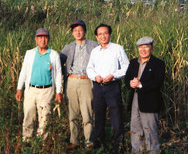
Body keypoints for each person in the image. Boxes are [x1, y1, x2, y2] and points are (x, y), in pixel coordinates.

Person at [86, 23, 129, 154]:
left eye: (105, 33)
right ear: (97, 37)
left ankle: (118, 147)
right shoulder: (95, 51)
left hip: (112, 87)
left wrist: (113, 75)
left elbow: (126, 67)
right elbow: (89, 68)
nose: (103, 36)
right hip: (98, 87)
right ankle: (100, 146)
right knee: (98, 117)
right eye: (100, 34)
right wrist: (95, 76)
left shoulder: (117, 48)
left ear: (110, 34)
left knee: (116, 118)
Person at [15, 28, 62, 142]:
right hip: (31, 90)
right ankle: (27, 139)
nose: (43, 40)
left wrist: (58, 92)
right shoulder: (29, 53)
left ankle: (41, 142)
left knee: (44, 117)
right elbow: (23, 72)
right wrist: (19, 89)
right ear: (36, 39)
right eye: (40, 37)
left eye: (45, 37)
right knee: (28, 116)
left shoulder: (54, 55)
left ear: (48, 39)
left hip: (47, 91)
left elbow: (58, 74)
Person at [60, 20, 98, 149]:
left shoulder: (93, 45)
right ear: (72, 33)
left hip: (86, 81)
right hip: (71, 81)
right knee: (73, 113)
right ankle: (74, 141)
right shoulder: (68, 47)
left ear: (85, 31)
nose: (78, 32)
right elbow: (58, 62)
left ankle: (89, 143)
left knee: (87, 113)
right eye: (75, 30)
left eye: (80, 30)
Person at [124, 36, 165, 154]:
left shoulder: (158, 63)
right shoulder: (133, 62)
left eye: (146, 47)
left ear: (151, 48)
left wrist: (141, 84)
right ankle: (137, 151)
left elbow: (158, 82)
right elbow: (127, 79)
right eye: (140, 47)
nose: (143, 50)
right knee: (135, 128)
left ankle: (153, 151)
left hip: (150, 100)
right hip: (135, 99)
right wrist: (130, 83)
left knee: (150, 130)